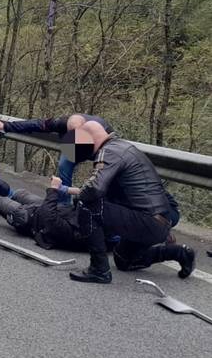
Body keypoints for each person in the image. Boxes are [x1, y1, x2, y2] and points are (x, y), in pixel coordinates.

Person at [68, 121, 195, 284]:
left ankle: (98, 270)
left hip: (148, 221)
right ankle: (179, 253)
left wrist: (79, 198)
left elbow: (94, 189)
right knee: (124, 260)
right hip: (157, 220)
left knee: (87, 206)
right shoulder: (121, 147)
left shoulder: (109, 152)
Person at [0, 113, 113, 204]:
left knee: (101, 180)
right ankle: (64, 206)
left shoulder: (103, 134)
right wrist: (5, 126)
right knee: (64, 165)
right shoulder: (62, 123)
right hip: (74, 147)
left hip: (98, 149)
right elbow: (36, 125)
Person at [0, 176, 89, 251]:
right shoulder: (97, 214)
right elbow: (86, 194)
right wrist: (65, 189)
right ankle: (0, 206)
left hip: (34, 222)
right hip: (51, 210)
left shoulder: (78, 231)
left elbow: (49, 218)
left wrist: (54, 190)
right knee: (20, 193)